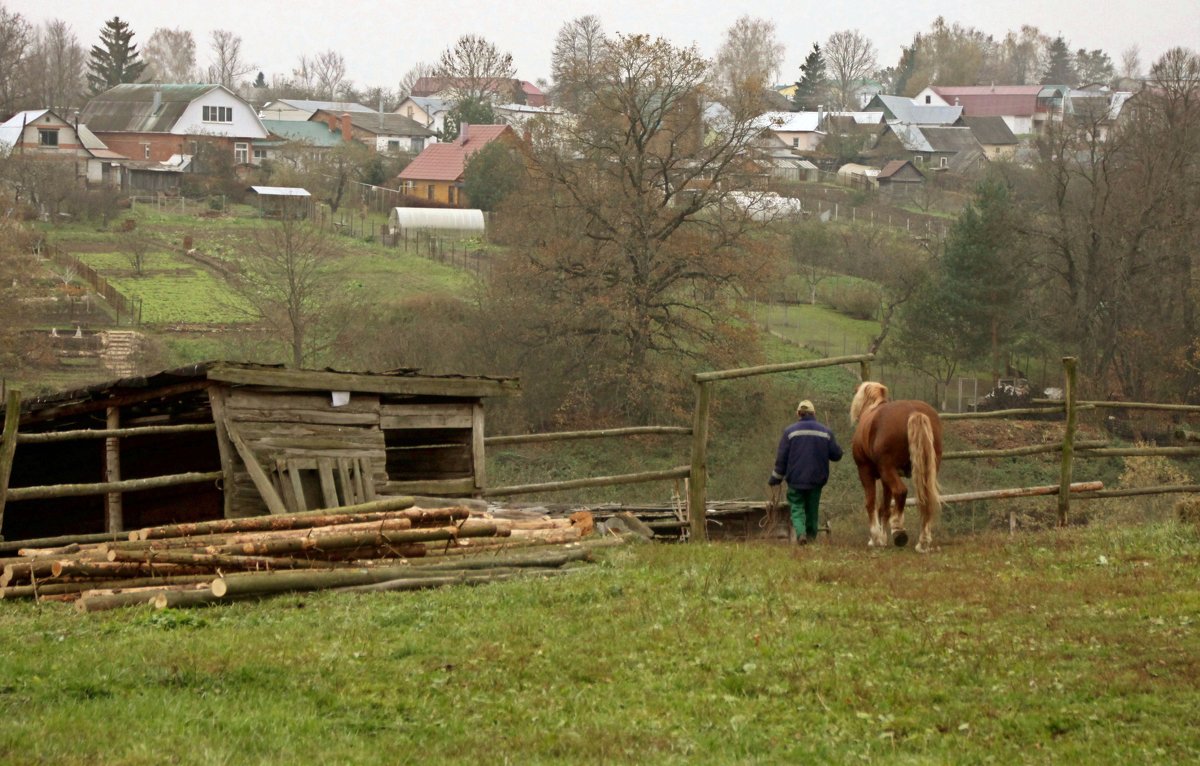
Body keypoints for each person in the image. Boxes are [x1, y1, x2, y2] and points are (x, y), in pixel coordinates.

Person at [768, 400, 843, 545]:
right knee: (812, 511)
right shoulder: (825, 432)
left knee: (796, 508)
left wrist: (775, 478)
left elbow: (782, 459)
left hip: (795, 480)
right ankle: (811, 540)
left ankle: (801, 533)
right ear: (814, 413)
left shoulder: (790, 432)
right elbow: (837, 455)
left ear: (798, 414)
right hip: (816, 480)